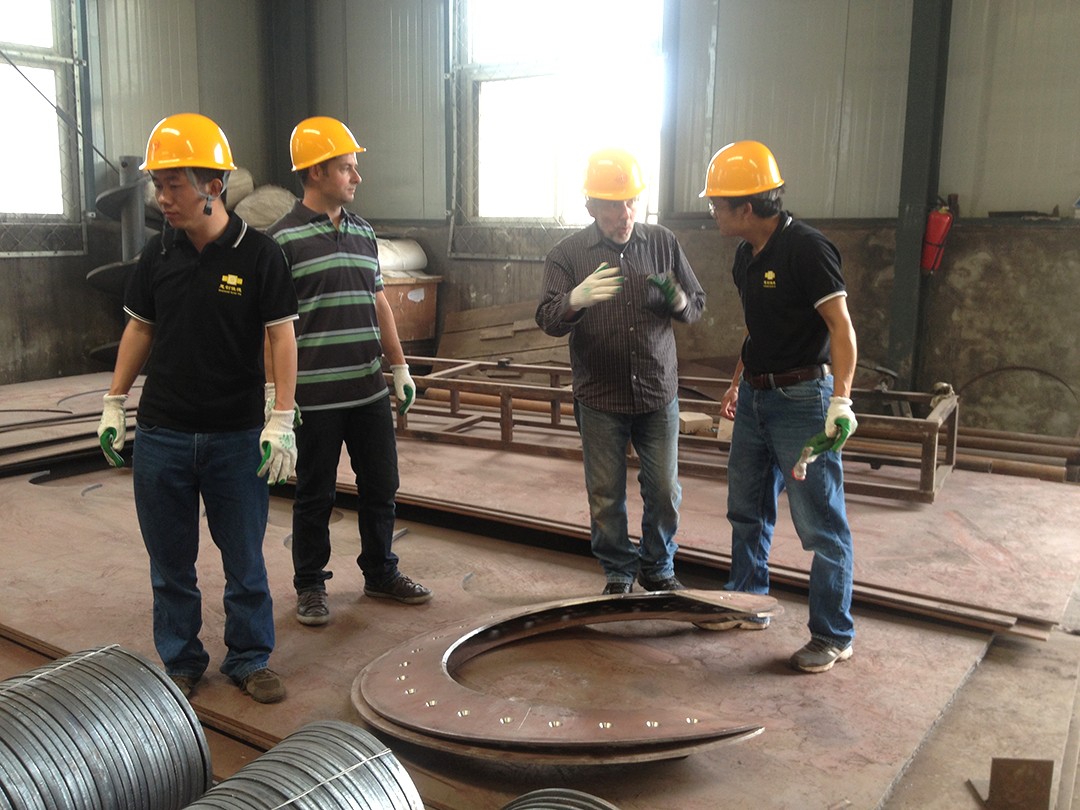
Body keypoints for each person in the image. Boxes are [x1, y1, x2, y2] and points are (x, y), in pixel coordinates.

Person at [96, 113, 299, 703]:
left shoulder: (259, 254)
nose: (162, 198)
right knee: (170, 563)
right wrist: (114, 402)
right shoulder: (157, 253)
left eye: (173, 185)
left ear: (214, 185)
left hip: (236, 436)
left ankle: (249, 658)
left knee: (245, 558)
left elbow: (280, 335)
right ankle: (182, 660)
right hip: (163, 434)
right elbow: (140, 328)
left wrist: (281, 417)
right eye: (158, 185)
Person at [265, 115, 432, 627]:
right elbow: (269, 328)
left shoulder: (362, 232)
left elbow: (379, 302)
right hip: (315, 397)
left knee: (382, 484)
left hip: (366, 390)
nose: (357, 177)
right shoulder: (281, 242)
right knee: (315, 494)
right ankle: (311, 585)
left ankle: (380, 571)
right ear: (316, 172)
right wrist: (276, 401)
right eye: (346, 168)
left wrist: (399, 366)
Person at [699, 140, 858, 674]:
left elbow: (842, 329)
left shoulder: (808, 249)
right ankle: (747, 602)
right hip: (756, 397)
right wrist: (736, 383)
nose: (713, 212)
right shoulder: (745, 256)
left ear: (747, 207)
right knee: (746, 509)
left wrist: (841, 400)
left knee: (820, 524)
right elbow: (757, 329)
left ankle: (833, 634)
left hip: (802, 401)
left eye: (717, 204)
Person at [536, 148, 705, 595]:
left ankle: (658, 567)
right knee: (605, 494)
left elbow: (696, 305)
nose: (624, 214)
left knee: (665, 491)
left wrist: (679, 301)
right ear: (590, 206)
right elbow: (547, 319)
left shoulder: (663, 243)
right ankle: (618, 570)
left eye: (631, 202)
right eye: (612, 205)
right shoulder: (567, 254)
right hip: (600, 397)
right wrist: (574, 299)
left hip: (657, 392)